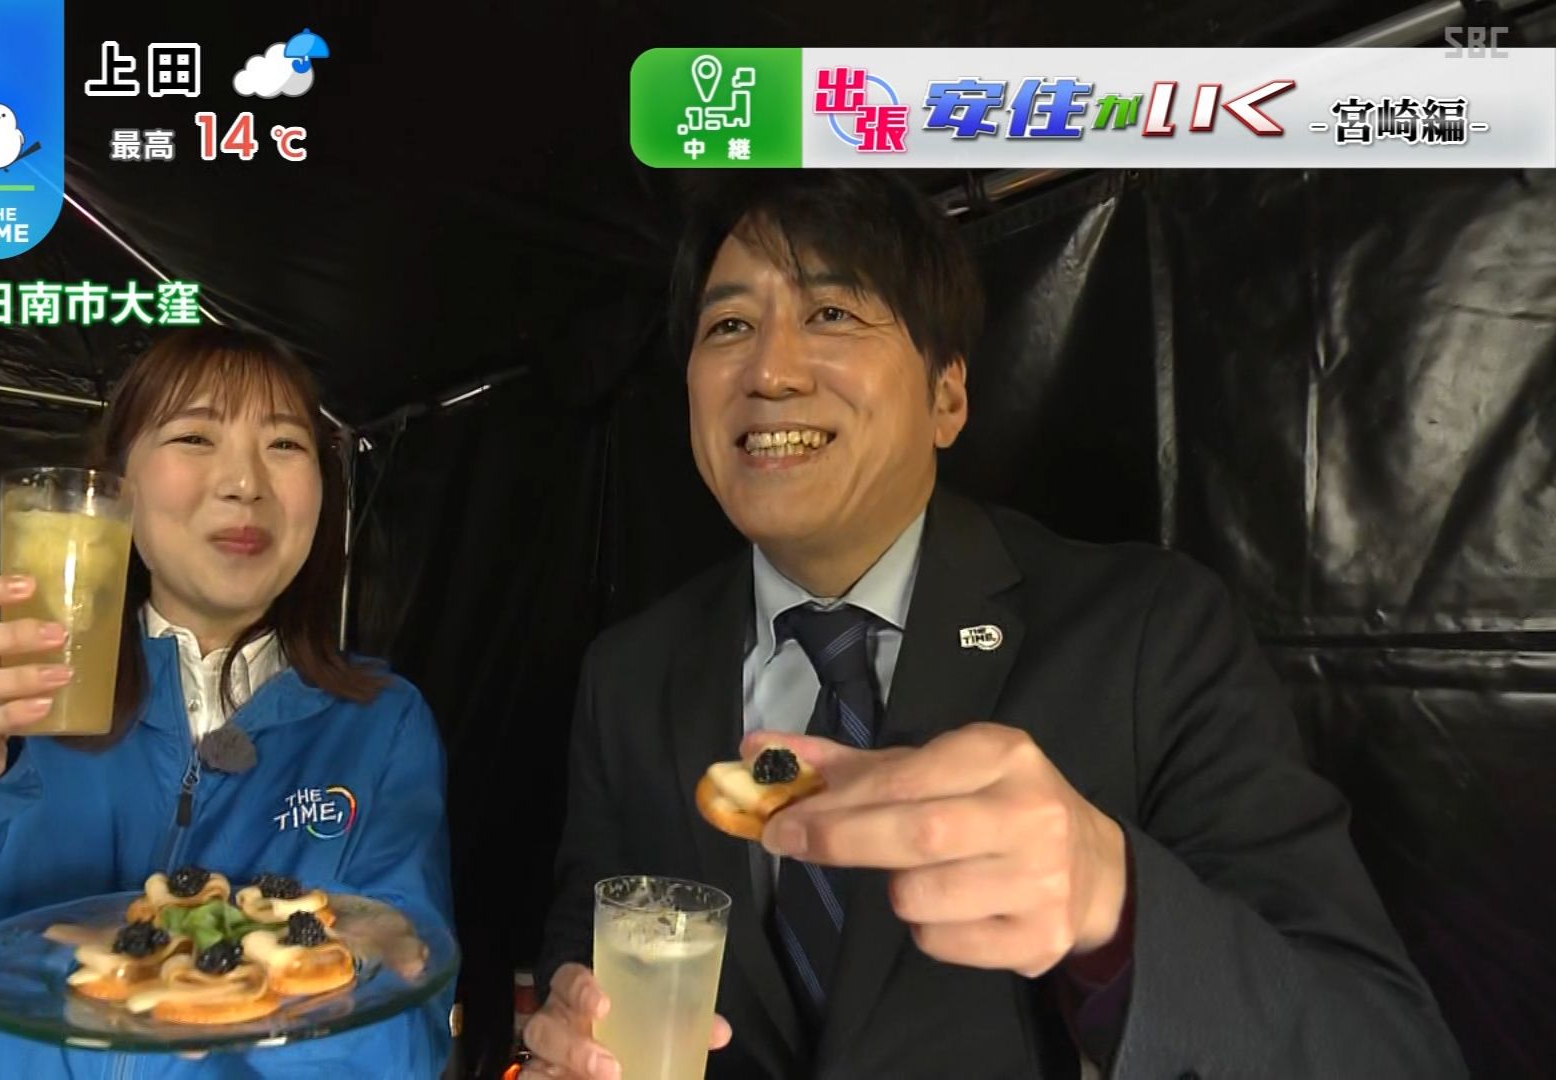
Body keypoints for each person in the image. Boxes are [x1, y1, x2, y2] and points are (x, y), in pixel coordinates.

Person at [522, 172, 1465, 1078]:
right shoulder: (630, 677)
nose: (768, 371)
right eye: (729, 325)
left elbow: (1382, 1049)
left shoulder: (1147, 637)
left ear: (947, 396)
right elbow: (581, 960)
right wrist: (567, 1033)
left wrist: (1114, 903)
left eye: (832, 313)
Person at [0, 328, 454, 1078]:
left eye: (285, 445)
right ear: (114, 485)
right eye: (195, 436)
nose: (243, 483)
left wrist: (250, 992)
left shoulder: (382, 726)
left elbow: (404, 1043)